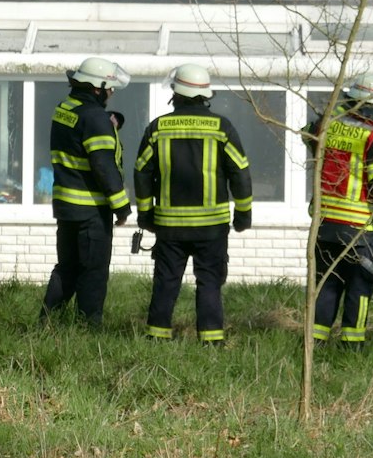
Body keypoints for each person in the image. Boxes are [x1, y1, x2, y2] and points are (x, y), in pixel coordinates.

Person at [134, 63, 253, 344]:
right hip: (211, 227)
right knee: (209, 281)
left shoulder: (158, 128)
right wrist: (243, 215)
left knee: (166, 282)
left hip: (169, 226)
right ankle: (211, 341)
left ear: (175, 93)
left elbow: (141, 172)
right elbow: (240, 173)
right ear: (205, 95)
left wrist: (145, 214)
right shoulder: (222, 128)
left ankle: (157, 336)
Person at [304, 71, 373, 349]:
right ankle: (352, 347)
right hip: (360, 232)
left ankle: (314, 346)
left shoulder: (327, 126)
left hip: (325, 225)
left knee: (326, 285)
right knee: (360, 289)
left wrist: (339, 109)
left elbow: (308, 134)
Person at [39, 56, 132, 328]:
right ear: (96, 87)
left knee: (66, 269)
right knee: (93, 273)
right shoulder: (94, 119)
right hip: (91, 210)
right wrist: (122, 207)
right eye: (109, 88)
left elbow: (83, 127)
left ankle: (46, 324)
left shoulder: (66, 108)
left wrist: (110, 121)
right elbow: (104, 166)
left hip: (66, 207)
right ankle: (89, 330)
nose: (111, 92)